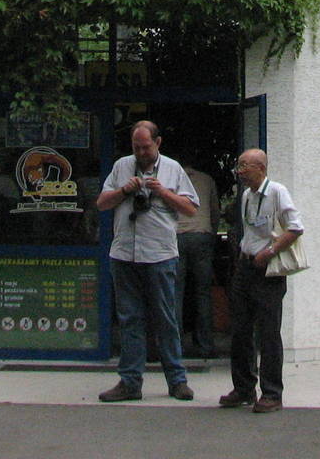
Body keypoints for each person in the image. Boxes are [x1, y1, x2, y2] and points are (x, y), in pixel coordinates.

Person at [94, 121, 198, 402]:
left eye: (146, 147)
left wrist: (162, 192)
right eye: (136, 147)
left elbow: (190, 209)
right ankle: (130, 382)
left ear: (158, 142)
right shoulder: (121, 166)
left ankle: (177, 380)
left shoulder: (173, 169)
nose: (141, 152)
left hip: (160, 255)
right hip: (124, 254)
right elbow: (102, 203)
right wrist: (124, 191)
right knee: (130, 320)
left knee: (166, 319)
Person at [219, 148, 303, 414]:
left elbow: (295, 227)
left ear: (261, 168)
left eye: (245, 166)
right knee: (240, 329)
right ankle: (243, 387)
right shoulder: (246, 195)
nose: (240, 171)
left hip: (267, 270)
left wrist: (270, 251)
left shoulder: (277, 192)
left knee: (268, 332)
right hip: (246, 265)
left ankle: (272, 393)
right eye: (239, 166)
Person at [176, 163, 220, 358]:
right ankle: (205, 345)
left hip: (176, 237)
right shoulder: (207, 179)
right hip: (202, 236)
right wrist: (211, 234)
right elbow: (215, 211)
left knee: (175, 293)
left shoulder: (171, 177)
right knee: (203, 293)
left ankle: (174, 347)